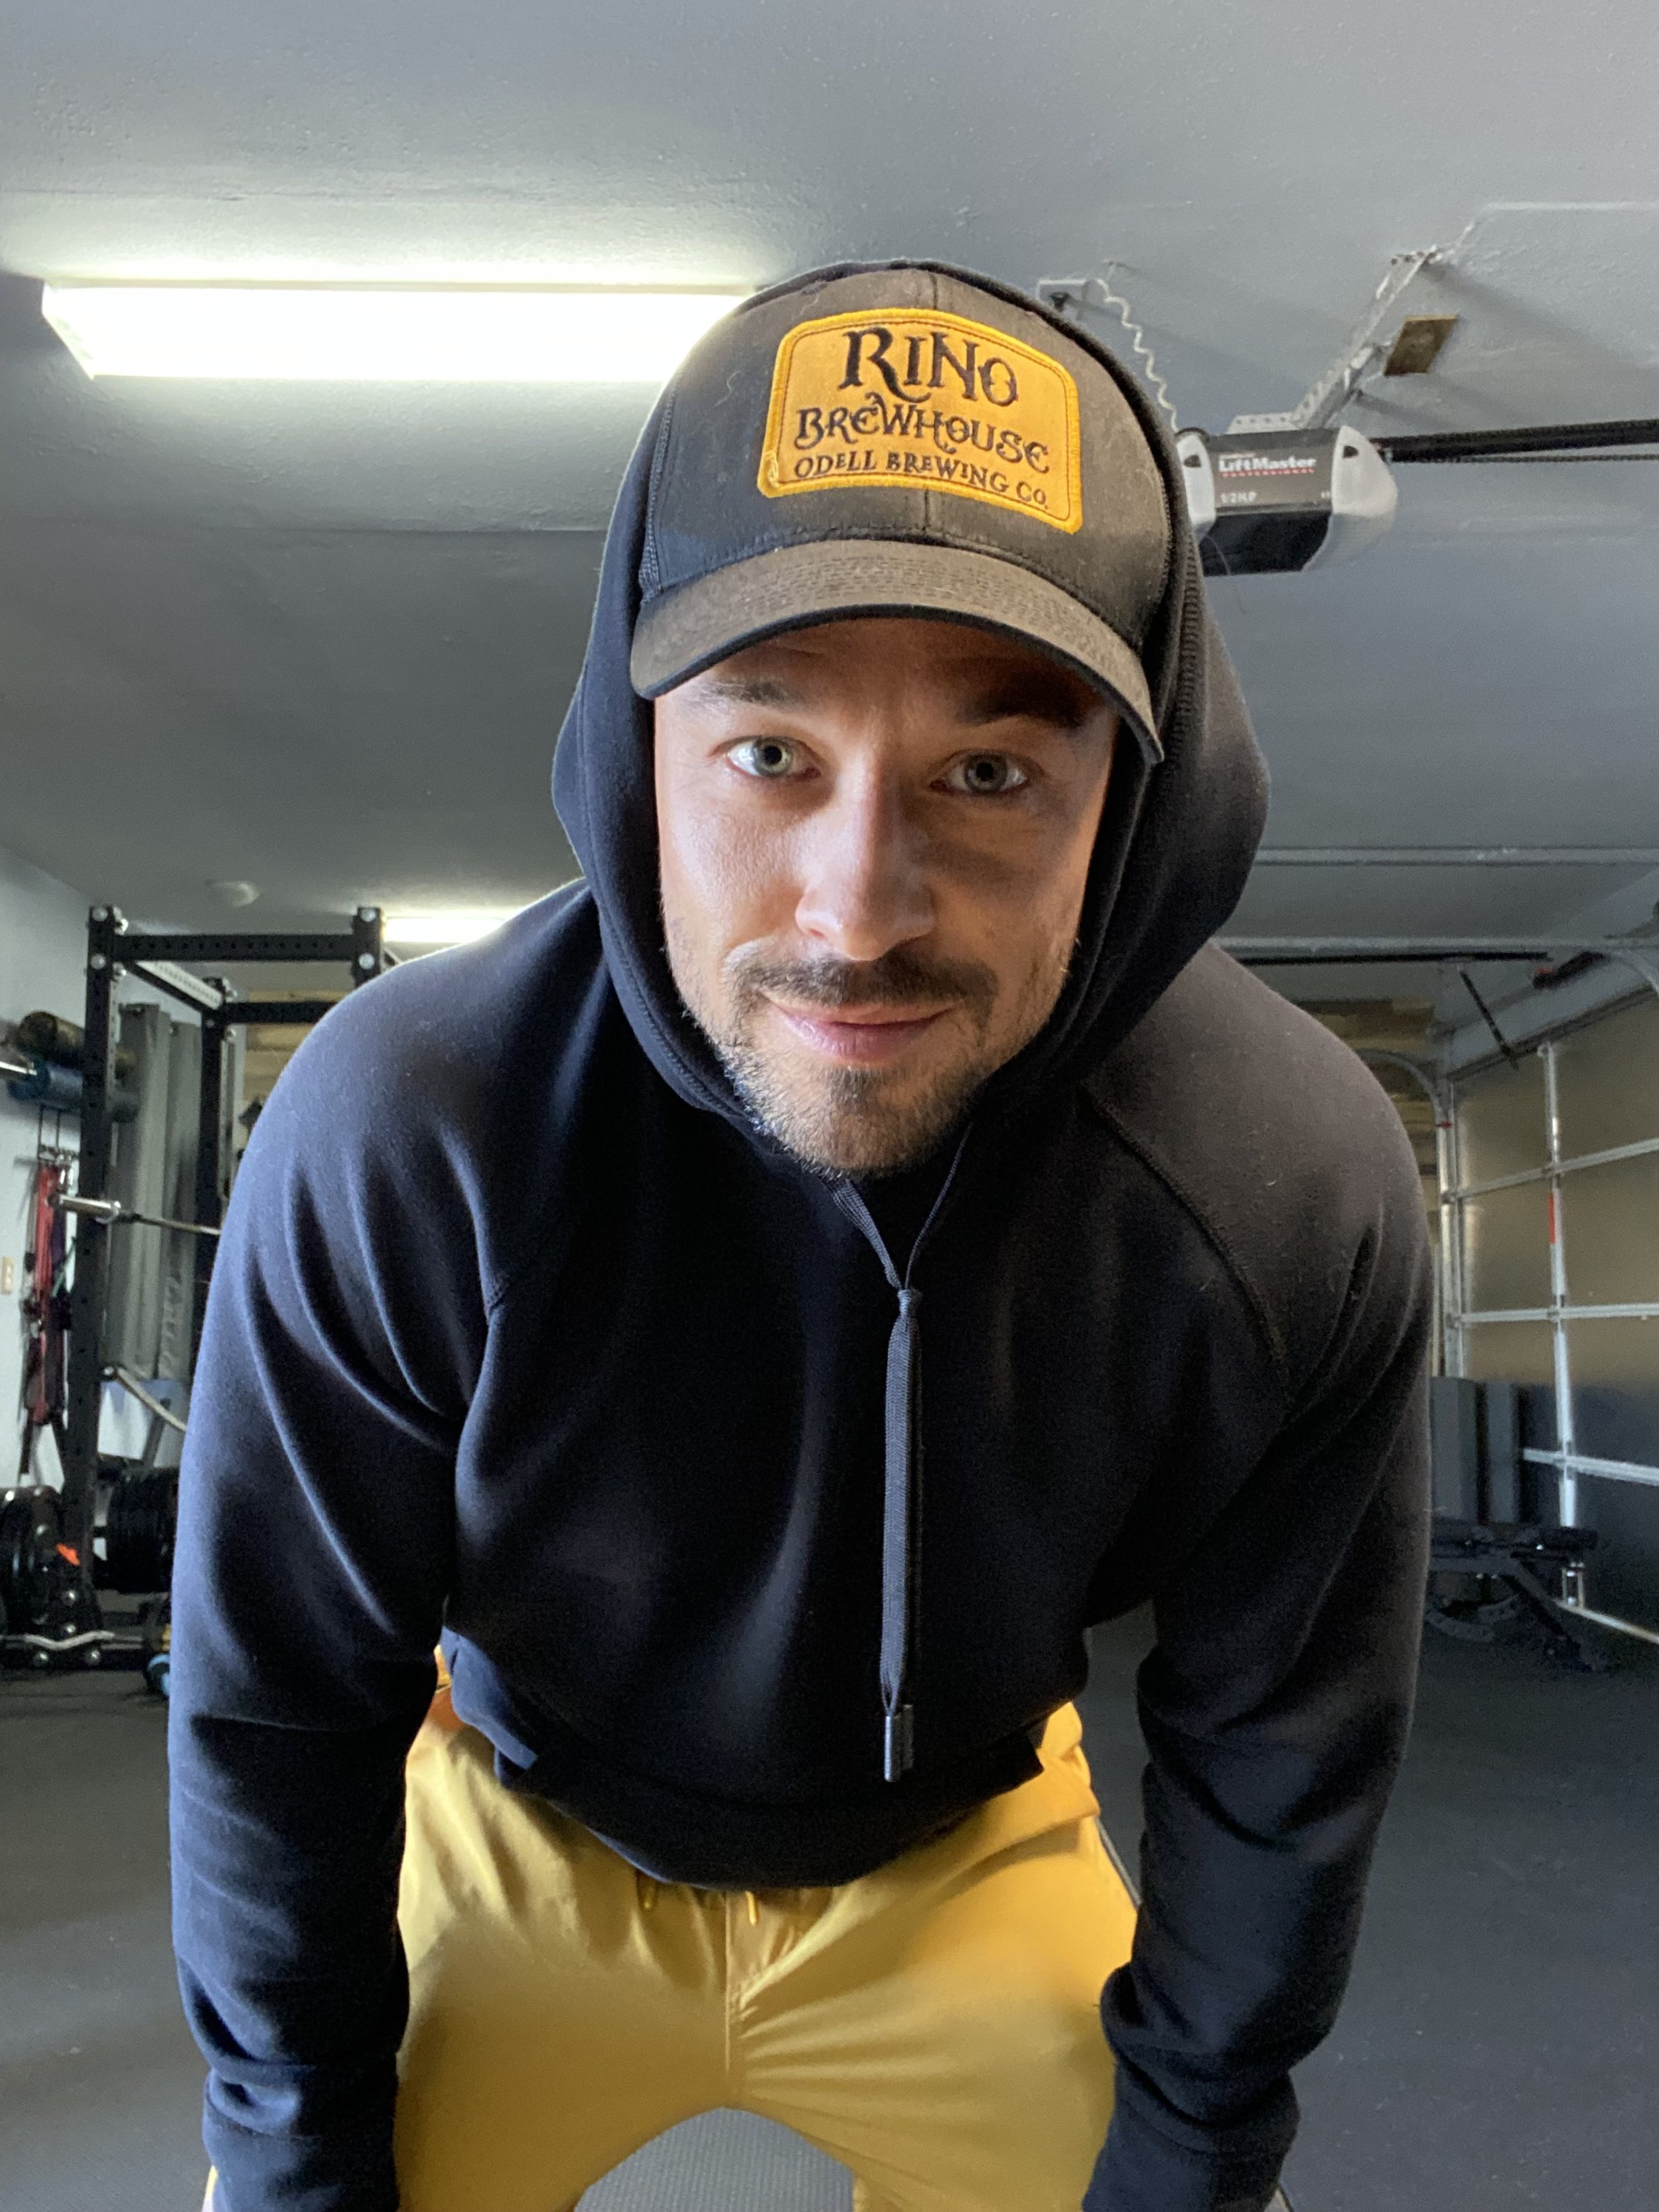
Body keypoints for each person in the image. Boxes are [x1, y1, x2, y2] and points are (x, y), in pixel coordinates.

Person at [171, 261, 1431, 2212]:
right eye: (770, 755)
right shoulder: (412, 1126)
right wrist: (292, 2157)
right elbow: (282, 1706)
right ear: (640, 757)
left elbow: (1277, 1742)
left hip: (964, 1855)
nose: (860, 912)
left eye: (990, 774)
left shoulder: (1283, 1187)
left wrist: (1192, 2166)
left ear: (1134, 797)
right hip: (519, 1831)